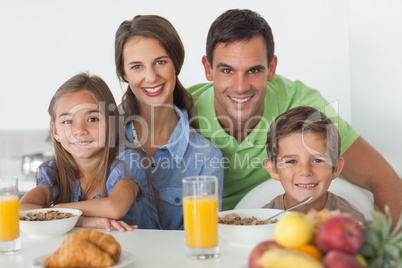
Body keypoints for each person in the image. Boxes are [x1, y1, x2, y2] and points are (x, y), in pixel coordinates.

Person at [188, 9, 401, 226]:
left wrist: (385, 256)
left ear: (271, 69)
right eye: (227, 71)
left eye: (254, 71)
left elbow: (385, 180)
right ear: (208, 69)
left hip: (277, 234)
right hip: (203, 238)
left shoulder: (306, 109)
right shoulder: (181, 111)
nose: (240, 87)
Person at [115, 15, 224, 230]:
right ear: (124, 74)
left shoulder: (206, 158)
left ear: (176, 63)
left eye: (160, 62)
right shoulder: (103, 138)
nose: (151, 77)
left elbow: (201, 240)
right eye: (137, 66)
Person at [19, 73, 162, 231]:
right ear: (55, 131)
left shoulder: (128, 161)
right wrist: (81, 221)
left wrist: (59, 209)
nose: (79, 130)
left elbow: (114, 207)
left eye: (92, 119)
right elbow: (21, 209)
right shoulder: (54, 171)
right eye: (68, 121)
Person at [262, 106, 365, 223]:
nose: (305, 171)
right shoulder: (260, 222)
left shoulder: (353, 223)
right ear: (273, 169)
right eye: (291, 161)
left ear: (336, 168)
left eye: (317, 160)